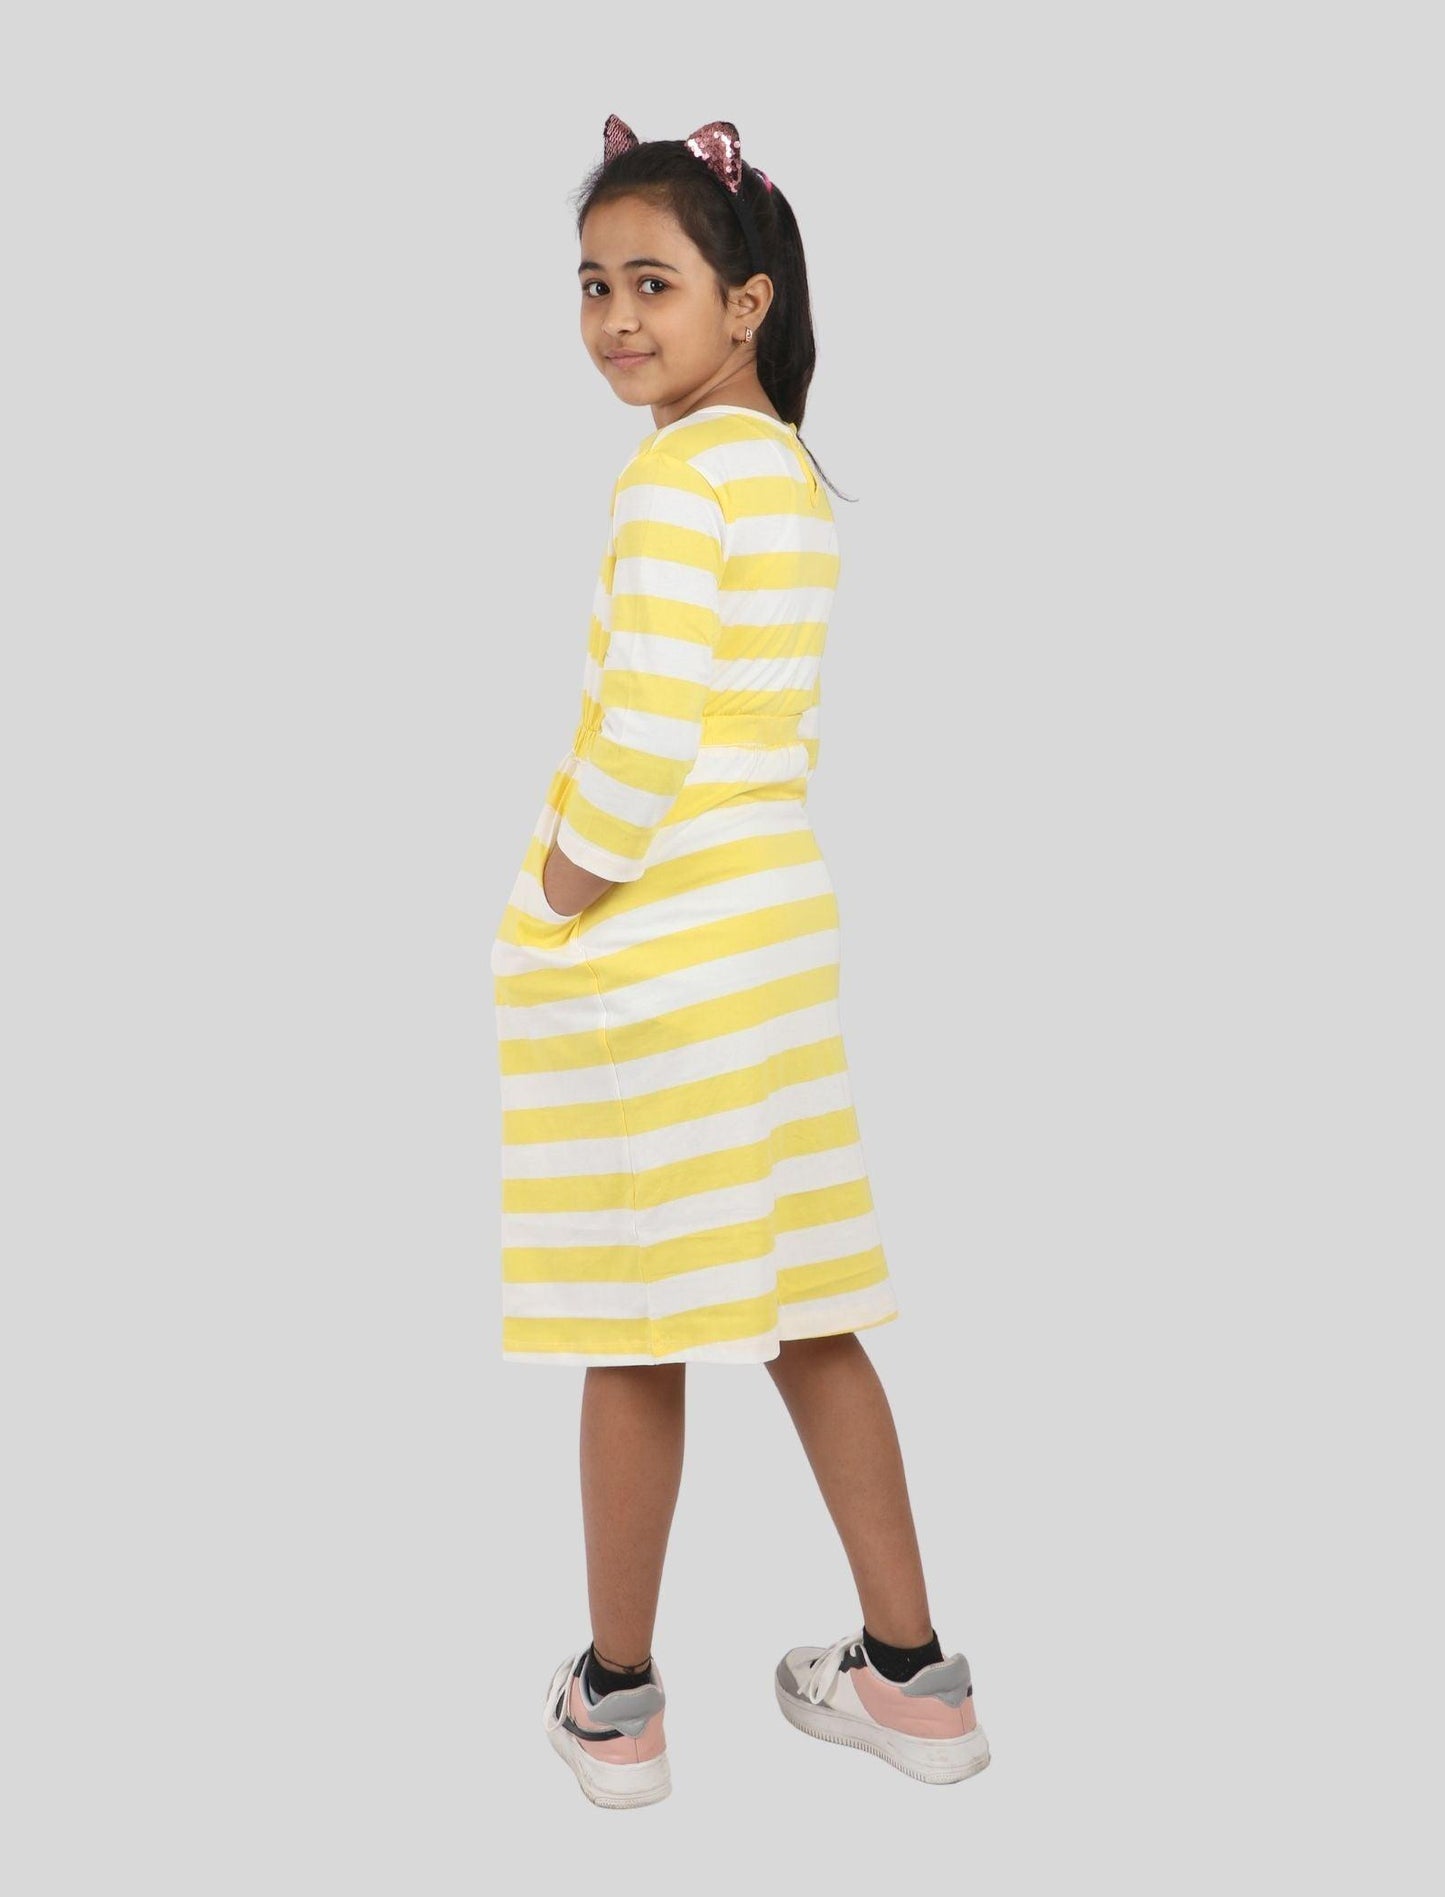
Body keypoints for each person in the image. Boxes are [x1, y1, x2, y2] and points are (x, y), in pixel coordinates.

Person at [491, 116, 990, 1808]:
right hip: (773, 940)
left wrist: (559, 883)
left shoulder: (669, 483)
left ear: (746, 300)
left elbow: (642, 736)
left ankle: (615, 1702)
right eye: (591, 286)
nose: (616, 319)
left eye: (653, 283)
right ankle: (914, 1679)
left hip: (663, 950)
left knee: (632, 1316)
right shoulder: (782, 473)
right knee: (808, 1304)